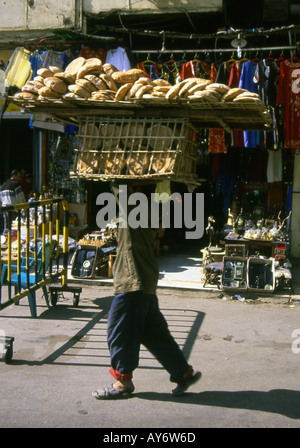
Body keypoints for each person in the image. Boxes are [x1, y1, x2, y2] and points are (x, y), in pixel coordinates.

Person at [92, 182, 201, 400]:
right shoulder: (151, 209)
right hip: (146, 279)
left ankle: (123, 382)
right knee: (155, 334)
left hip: (133, 281)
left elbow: (117, 183)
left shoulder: (134, 207)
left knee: (119, 332)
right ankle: (183, 373)